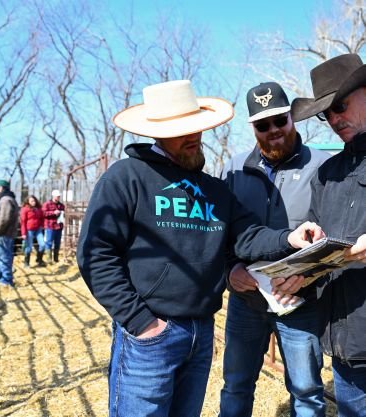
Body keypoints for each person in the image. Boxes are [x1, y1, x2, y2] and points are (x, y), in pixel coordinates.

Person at [76, 79, 323, 417]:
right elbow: (96, 253)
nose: (194, 137)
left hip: (200, 331)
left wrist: (288, 239)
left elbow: (247, 235)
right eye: (182, 131)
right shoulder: (126, 178)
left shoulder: (214, 189)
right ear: (157, 132)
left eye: (197, 128)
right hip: (150, 333)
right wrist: (141, 322)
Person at [219, 82, 329, 417]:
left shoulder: (322, 167)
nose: (273, 131)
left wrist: (306, 274)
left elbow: (331, 238)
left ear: (292, 118)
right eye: (262, 125)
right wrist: (229, 272)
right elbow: (220, 235)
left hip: (300, 301)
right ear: (253, 127)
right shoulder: (233, 170)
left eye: (279, 121)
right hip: (246, 302)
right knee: (236, 385)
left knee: (307, 392)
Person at [291, 53, 366, 417]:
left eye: (340, 106)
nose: (334, 119)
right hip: (346, 347)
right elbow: (314, 233)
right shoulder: (327, 172)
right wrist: (304, 245)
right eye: (327, 113)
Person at [20, 195, 46, 268]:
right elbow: (23, 222)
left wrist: (41, 226)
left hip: (38, 229)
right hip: (29, 230)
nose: (33, 202)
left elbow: (42, 218)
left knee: (43, 245)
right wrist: (23, 233)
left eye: (34, 200)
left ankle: (39, 259)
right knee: (29, 247)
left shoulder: (38, 209)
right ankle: (26, 262)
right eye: (31, 201)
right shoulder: (25, 209)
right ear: (28, 202)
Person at [42, 189, 65, 263]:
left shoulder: (61, 205)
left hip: (59, 226)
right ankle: (49, 259)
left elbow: (64, 214)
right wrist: (53, 213)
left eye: (59, 196)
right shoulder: (47, 204)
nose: (58, 198)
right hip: (50, 226)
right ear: (53, 196)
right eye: (57, 196)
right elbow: (43, 213)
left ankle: (56, 259)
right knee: (49, 242)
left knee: (57, 243)